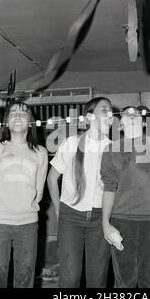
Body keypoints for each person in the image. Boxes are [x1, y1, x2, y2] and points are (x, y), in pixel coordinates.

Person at [101, 106, 150, 288]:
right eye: (126, 114)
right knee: (124, 279)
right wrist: (105, 223)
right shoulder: (110, 150)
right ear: (119, 125)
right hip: (121, 221)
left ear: (144, 122)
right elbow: (109, 187)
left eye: (135, 113)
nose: (131, 115)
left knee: (149, 278)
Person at [0, 100, 48, 288]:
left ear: (30, 122)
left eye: (23, 113)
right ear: (6, 122)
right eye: (12, 113)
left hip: (28, 226)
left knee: (25, 279)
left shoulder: (40, 152)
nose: (17, 116)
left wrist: (25, 207)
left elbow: (38, 191)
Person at [47, 97, 113, 288]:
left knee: (98, 279)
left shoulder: (113, 148)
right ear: (90, 116)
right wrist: (60, 211)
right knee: (70, 277)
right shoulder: (71, 143)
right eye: (104, 109)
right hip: (71, 217)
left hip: (101, 218)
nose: (110, 114)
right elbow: (52, 179)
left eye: (110, 110)